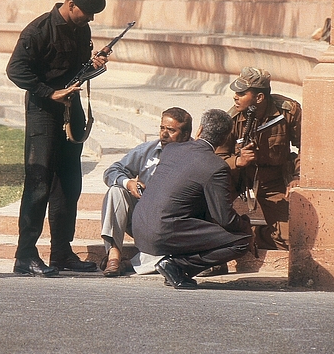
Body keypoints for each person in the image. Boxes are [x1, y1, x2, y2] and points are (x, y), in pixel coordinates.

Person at [6, 0, 108, 276]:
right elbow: (16, 69)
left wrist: (95, 65)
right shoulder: (38, 30)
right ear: (71, 4)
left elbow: (77, 71)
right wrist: (48, 92)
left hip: (70, 110)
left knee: (69, 183)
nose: (89, 19)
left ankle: (61, 252)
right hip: (43, 112)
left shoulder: (81, 29)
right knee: (39, 183)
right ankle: (25, 255)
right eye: (86, 13)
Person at [132, 109, 253, 289]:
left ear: (199, 130)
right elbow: (224, 218)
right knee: (242, 240)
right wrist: (245, 225)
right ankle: (177, 266)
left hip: (139, 228)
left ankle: (175, 269)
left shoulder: (171, 149)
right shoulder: (217, 166)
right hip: (163, 233)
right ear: (226, 138)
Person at [215, 67, 301, 251]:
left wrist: (297, 176)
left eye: (241, 93)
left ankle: (257, 235)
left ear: (259, 98)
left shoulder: (288, 112)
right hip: (238, 177)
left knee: (289, 240)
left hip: (273, 181)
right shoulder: (231, 119)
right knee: (211, 213)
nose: (235, 97)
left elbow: (309, 147)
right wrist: (237, 161)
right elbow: (215, 160)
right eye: (236, 93)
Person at [100, 107, 192, 277]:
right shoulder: (147, 150)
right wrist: (129, 184)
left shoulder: (194, 156)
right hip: (141, 218)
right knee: (116, 190)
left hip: (171, 224)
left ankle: (131, 264)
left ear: (186, 135)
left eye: (171, 130)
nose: (164, 134)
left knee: (175, 255)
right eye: (162, 128)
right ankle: (113, 255)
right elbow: (112, 171)